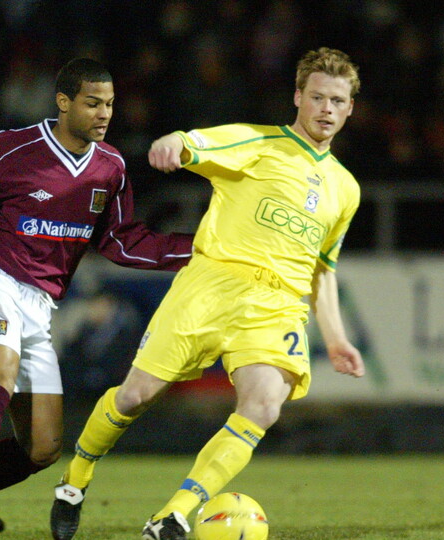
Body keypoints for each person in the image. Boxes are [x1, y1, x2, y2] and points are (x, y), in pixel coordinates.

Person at [49, 47, 365, 540]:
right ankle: (76, 478)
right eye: (318, 97)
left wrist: (337, 338)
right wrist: (174, 144)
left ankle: (173, 514)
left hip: (276, 305)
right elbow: (196, 143)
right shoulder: (257, 143)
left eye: (338, 100)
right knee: (133, 397)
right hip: (212, 285)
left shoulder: (346, 189)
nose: (327, 109)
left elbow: (322, 270)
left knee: (263, 406)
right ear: (298, 97)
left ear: (350, 108)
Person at [0, 58, 193, 535]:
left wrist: (202, 250)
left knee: (42, 448)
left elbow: (123, 241)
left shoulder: (110, 167)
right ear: (64, 102)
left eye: (109, 104)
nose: (104, 113)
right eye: (92, 103)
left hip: (40, 305)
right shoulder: (15, 147)